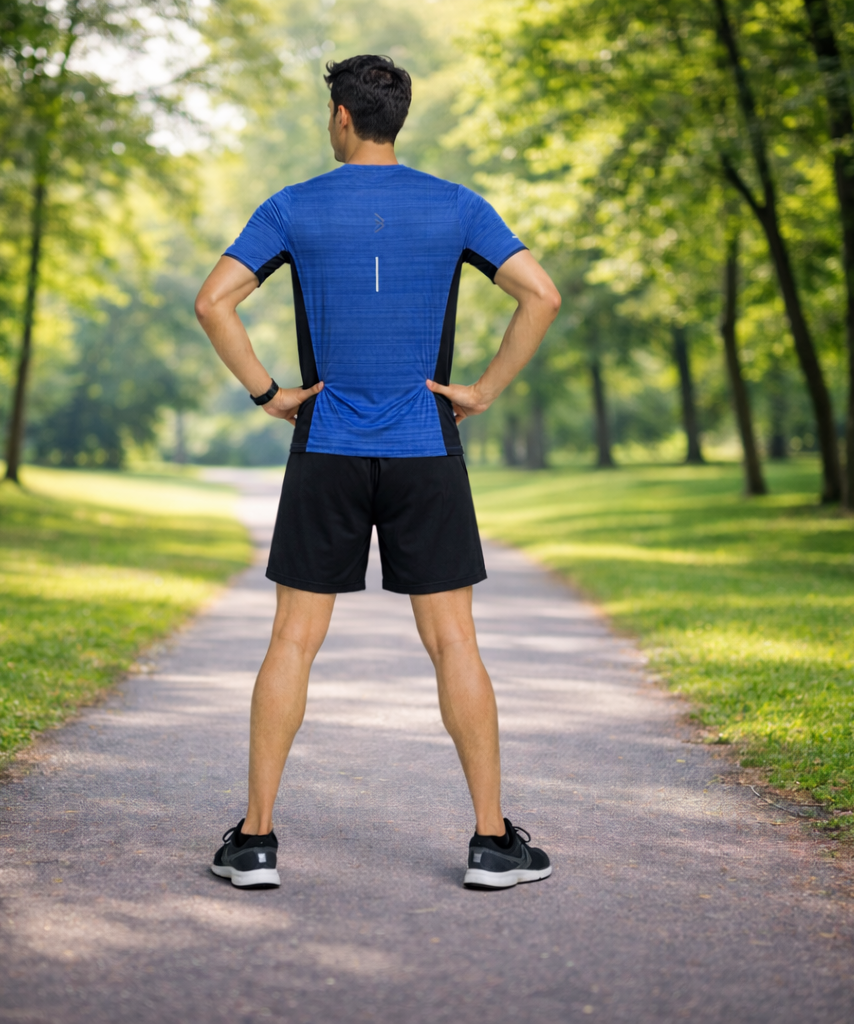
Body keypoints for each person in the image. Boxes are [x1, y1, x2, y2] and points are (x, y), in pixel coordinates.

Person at [195, 54, 561, 891]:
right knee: (454, 642)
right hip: (425, 449)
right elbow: (541, 294)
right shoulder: (457, 204)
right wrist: (481, 392)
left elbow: (212, 301)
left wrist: (267, 394)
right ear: (395, 118)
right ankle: (492, 842)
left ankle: (254, 843)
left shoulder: (292, 207)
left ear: (342, 116)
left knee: (292, 638)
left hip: (324, 445)